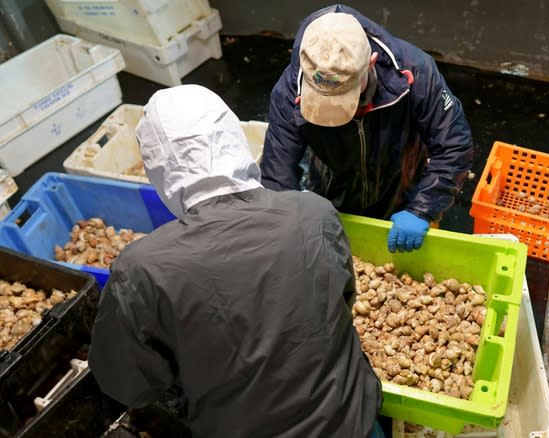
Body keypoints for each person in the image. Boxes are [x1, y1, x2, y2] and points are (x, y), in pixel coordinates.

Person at [88, 85, 384, 438]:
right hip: (354, 422)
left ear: (159, 168)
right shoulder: (313, 213)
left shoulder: (142, 270)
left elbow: (125, 383)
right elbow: (343, 300)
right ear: (234, 139)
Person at [260, 4, 474, 253]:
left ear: (371, 61)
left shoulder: (415, 72)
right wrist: (283, 226)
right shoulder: (289, 91)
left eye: (346, 93)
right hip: (333, 194)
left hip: (404, 191)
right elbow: (278, 173)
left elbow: (453, 145)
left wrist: (423, 209)